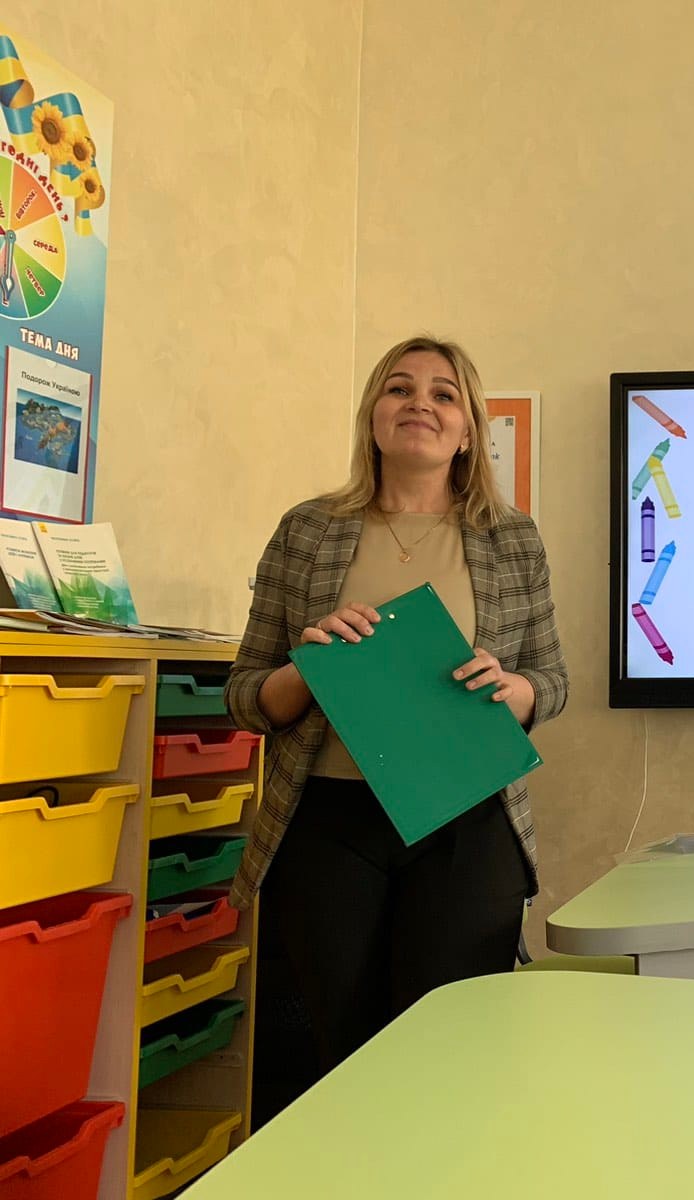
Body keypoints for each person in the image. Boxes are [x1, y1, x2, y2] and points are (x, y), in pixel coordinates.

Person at [225, 334, 568, 1120]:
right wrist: (306, 668)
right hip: (328, 824)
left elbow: (552, 682)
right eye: (399, 388)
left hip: (467, 818)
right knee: (340, 1057)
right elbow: (245, 695)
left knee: (452, 1055)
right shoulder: (308, 530)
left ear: (469, 428)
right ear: (372, 416)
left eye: (444, 394)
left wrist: (513, 690)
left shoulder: (512, 537)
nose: (420, 404)